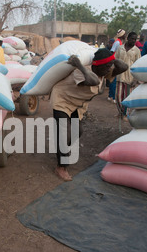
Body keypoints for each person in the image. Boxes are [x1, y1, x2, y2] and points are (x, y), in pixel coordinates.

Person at [51, 49, 128, 181]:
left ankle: (62, 149)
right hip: (62, 100)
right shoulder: (80, 71)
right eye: (106, 66)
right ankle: (61, 166)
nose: (109, 69)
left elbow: (124, 67)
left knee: (78, 131)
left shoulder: (104, 69)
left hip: (77, 105)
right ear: (97, 65)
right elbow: (93, 81)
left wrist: (111, 59)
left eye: (110, 66)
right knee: (64, 132)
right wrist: (79, 64)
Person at [114, 32, 141, 120]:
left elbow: (138, 64)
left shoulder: (136, 50)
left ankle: (125, 114)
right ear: (127, 38)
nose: (133, 41)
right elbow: (116, 60)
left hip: (130, 76)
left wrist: (136, 79)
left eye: (135, 39)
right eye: (132, 38)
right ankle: (120, 112)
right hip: (120, 75)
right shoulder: (120, 48)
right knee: (118, 97)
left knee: (127, 97)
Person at [108, 29, 125, 102]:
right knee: (113, 80)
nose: (125, 35)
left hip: (117, 62)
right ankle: (113, 97)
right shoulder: (117, 42)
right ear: (122, 35)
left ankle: (110, 96)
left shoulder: (119, 42)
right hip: (115, 62)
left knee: (113, 79)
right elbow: (112, 51)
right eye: (125, 34)